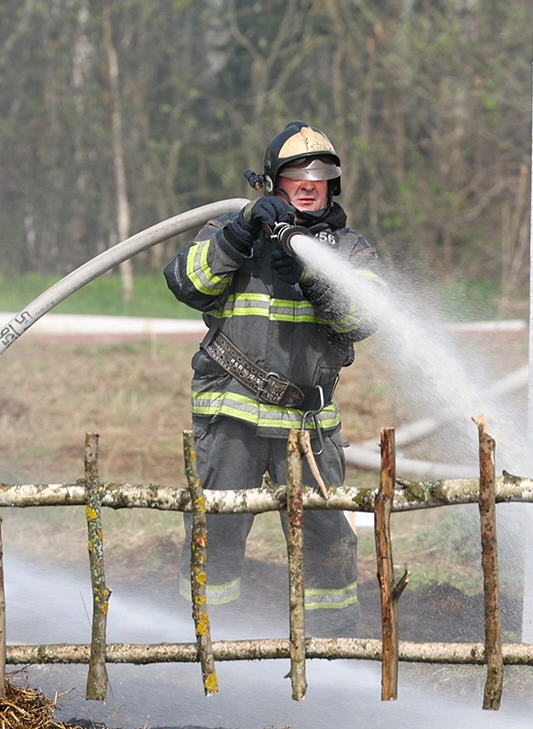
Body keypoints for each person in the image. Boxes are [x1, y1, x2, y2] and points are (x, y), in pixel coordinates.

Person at [163, 120, 382, 637]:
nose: (309, 182)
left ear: (335, 184)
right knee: (215, 530)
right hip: (231, 413)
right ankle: (203, 642)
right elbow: (185, 282)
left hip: (310, 424)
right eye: (295, 173)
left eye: (321, 172)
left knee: (327, 537)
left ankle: (332, 650)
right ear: (270, 183)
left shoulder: (350, 250)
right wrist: (240, 235)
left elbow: (364, 318)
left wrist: (313, 275)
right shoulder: (228, 232)